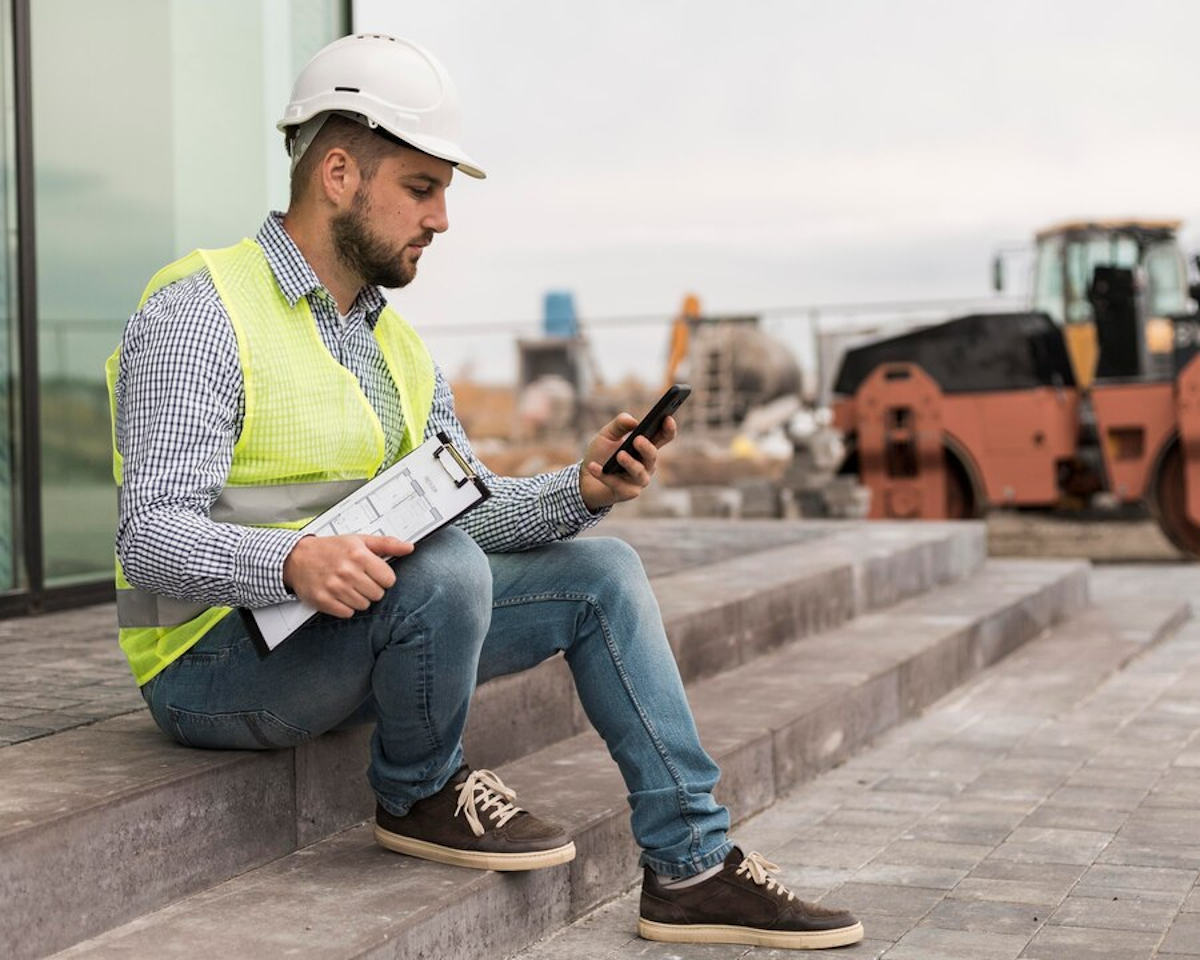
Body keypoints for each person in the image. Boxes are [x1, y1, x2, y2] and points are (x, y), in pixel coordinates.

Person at [108, 33, 863, 951]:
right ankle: (421, 789)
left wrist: (582, 489)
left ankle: (691, 867)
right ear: (339, 173)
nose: (442, 220)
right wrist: (294, 560)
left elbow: (462, 508)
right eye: (420, 189)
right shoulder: (202, 313)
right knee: (444, 574)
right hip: (210, 664)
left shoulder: (396, 347)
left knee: (603, 571)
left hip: (349, 631)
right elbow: (149, 535)